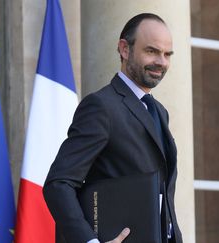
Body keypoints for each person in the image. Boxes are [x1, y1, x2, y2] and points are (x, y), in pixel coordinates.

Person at [43, 13, 183, 243]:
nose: (162, 62)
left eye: (167, 54)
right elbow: (58, 184)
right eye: (152, 51)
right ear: (125, 49)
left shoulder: (159, 111)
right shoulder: (101, 106)